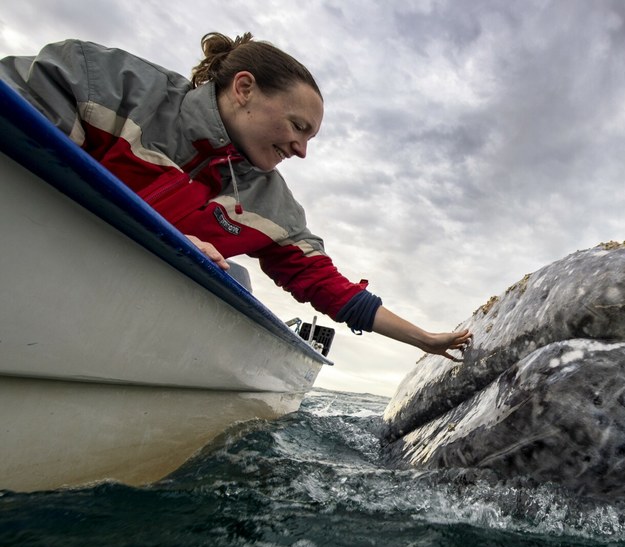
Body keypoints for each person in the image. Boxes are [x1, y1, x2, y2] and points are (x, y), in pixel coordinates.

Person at [0, 33, 471, 361]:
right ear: (244, 89)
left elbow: (332, 290)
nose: (301, 150)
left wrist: (424, 339)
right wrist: (168, 239)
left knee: (237, 276)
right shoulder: (105, 80)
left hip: (110, 320)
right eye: (298, 127)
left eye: (310, 139)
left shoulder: (277, 209)